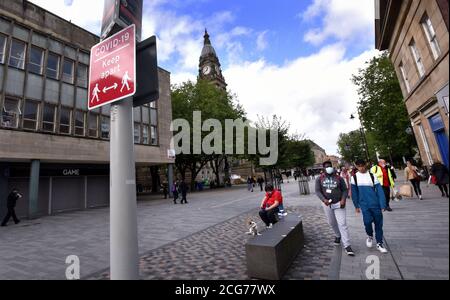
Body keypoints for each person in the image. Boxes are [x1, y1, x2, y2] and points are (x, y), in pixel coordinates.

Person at [315, 161, 354, 256]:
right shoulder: (319, 179)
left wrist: (343, 199)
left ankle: (347, 245)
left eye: (330, 166)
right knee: (331, 222)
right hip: (327, 204)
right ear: (323, 168)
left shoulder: (339, 178)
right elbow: (317, 191)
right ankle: (337, 235)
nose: (328, 168)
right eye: (326, 167)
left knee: (342, 223)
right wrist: (324, 200)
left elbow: (345, 190)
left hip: (339, 203)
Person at [351, 159, 388, 254]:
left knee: (379, 224)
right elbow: (354, 193)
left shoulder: (372, 176)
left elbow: (379, 190)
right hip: (364, 205)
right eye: (359, 166)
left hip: (375, 204)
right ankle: (370, 235)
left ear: (365, 165)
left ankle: (379, 243)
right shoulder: (354, 177)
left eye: (362, 165)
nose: (361, 168)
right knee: (367, 222)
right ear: (356, 166)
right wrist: (356, 205)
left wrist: (383, 204)